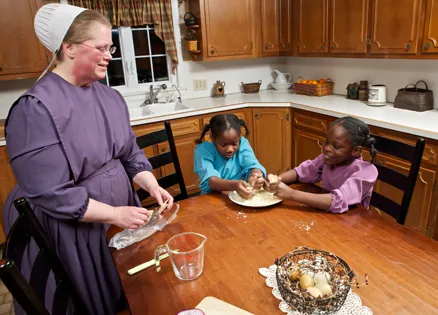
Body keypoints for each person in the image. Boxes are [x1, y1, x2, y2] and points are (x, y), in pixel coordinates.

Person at [3, 4, 173, 315]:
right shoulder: (34, 110)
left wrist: (150, 185)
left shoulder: (109, 96)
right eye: (101, 48)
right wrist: (114, 214)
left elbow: (129, 154)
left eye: (111, 47)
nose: (110, 55)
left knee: (136, 291)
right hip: (75, 231)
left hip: (118, 213)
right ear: (68, 48)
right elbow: (53, 194)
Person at [267, 116, 378, 213]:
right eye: (326, 142)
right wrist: (276, 180)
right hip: (326, 216)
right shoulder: (327, 160)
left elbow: (337, 201)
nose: (326, 148)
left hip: (352, 224)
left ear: (356, 151)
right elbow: (300, 172)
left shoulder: (366, 172)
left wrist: (291, 194)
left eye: (336, 146)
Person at [194, 113, 266, 198]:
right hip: (213, 198)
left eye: (234, 144)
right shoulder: (203, 150)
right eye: (223, 145)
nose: (230, 149)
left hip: (242, 195)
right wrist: (235, 185)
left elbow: (252, 163)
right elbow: (211, 181)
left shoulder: (243, 143)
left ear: (239, 137)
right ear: (212, 138)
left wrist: (255, 173)